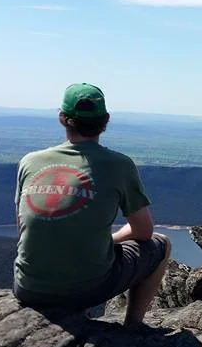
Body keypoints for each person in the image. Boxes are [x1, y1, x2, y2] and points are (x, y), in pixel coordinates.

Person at [12, 83, 170, 326]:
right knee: (162, 244)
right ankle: (134, 327)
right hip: (88, 289)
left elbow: (24, 227)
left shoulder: (30, 162)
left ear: (62, 119)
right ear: (105, 120)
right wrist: (111, 240)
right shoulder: (119, 165)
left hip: (28, 288)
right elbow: (143, 232)